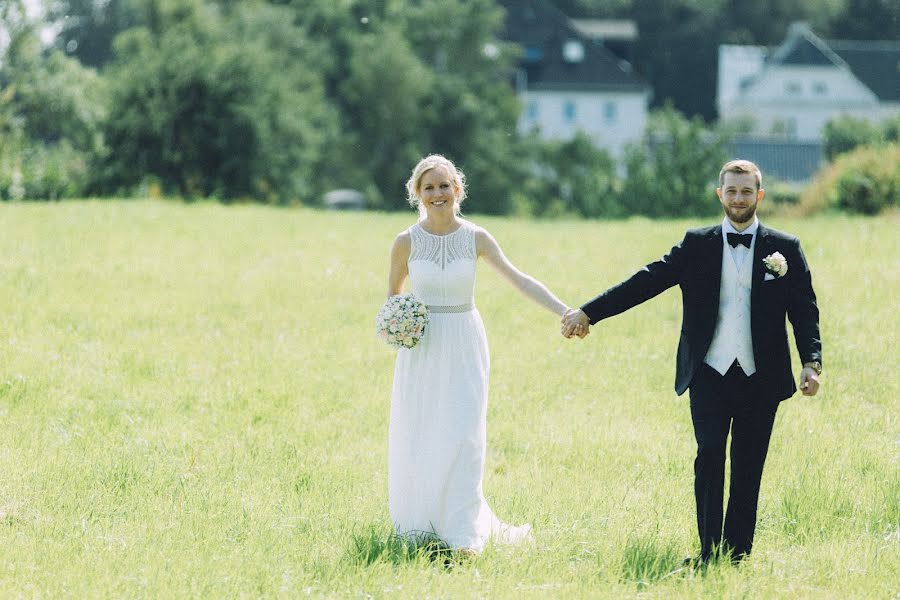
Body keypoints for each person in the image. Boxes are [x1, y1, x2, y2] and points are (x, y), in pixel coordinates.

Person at [562, 159, 822, 565]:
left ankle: (736, 555)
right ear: (720, 194)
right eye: (731, 191)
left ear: (760, 195)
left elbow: (805, 310)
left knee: (749, 465)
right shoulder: (697, 244)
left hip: (762, 375)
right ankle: (708, 551)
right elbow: (646, 281)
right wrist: (589, 311)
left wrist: (812, 362)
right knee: (709, 457)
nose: (739, 198)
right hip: (709, 372)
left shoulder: (784, 248)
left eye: (746, 191)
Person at [386, 154, 572, 556]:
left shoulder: (476, 238)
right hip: (421, 349)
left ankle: (462, 532)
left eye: (444, 185)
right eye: (429, 187)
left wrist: (565, 311)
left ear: (458, 189)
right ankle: (420, 525)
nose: (438, 193)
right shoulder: (405, 243)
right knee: (422, 433)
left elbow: (520, 279)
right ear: (417, 194)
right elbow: (392, 299)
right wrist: (400, 326)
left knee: (464, 434)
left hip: (465, 342)